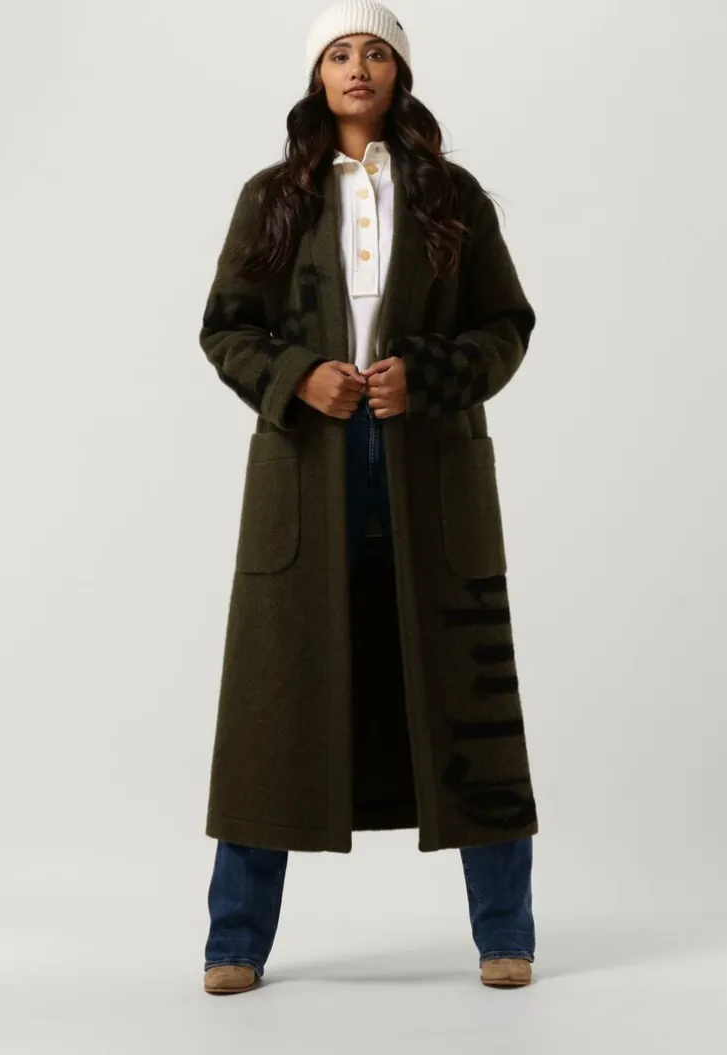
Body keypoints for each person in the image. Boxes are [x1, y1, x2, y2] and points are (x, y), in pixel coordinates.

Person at [198, 0, 540, 996]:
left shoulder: (452, 197)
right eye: (340, 53)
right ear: (317, 76)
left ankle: (507, 933)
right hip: (307, 470)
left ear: (400, 73)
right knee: (274, 703)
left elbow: (506, 324)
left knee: (467, 693)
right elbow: (226, 327)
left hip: (428, 464)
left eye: (377, 52)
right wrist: (299, 374)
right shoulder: (273, 197)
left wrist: (424, 375)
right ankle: (233, 940)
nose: (358, 67)